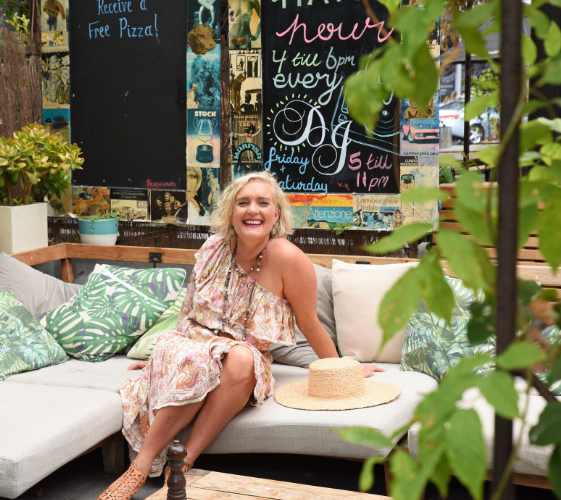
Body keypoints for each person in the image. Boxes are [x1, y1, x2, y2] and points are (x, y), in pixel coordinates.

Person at [98, 172, 383, 500]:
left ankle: (184, 463)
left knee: (242, 357)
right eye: (243, 202)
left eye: (263, 203)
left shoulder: (289, 259)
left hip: (239, 356)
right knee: (192, 356)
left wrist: (343, 370)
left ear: (276, 214)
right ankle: (139, 468)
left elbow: (310, 324)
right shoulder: (213, 248)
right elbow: (188, 310)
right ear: (230, 213)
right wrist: (157, 359)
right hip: (191, 345)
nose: (253, 210)